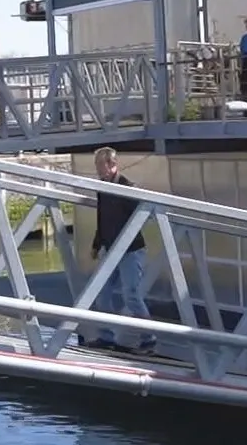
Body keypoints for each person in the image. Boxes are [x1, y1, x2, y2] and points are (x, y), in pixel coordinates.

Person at [78, 147, 157, 355]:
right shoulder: (103, 187)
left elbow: (145, 215)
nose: (97, 169)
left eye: (100, 165)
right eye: (96, 165)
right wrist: (96, 245)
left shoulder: (127, 188)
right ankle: (106, 337)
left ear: (113, 165)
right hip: (110, 248)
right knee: (102, 293)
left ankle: (148, 339)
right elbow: (102, 219)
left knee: (131, 294)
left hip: (131, 250)